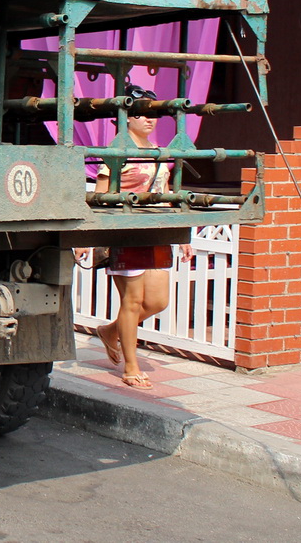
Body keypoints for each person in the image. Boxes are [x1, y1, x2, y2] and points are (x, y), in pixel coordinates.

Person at [76, 85, 192, 390]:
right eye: (141, 113)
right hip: (125, 232)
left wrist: (181, 235)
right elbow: (99, 197)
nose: (149, 119)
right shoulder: (118, 151)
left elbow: (166, 195)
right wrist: (86, 239)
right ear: (126, 118)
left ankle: (110, 331)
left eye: (153, 113)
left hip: (155, 231)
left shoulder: (159, 150)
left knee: (158, 301)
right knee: (132, 301)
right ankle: (131, 366)